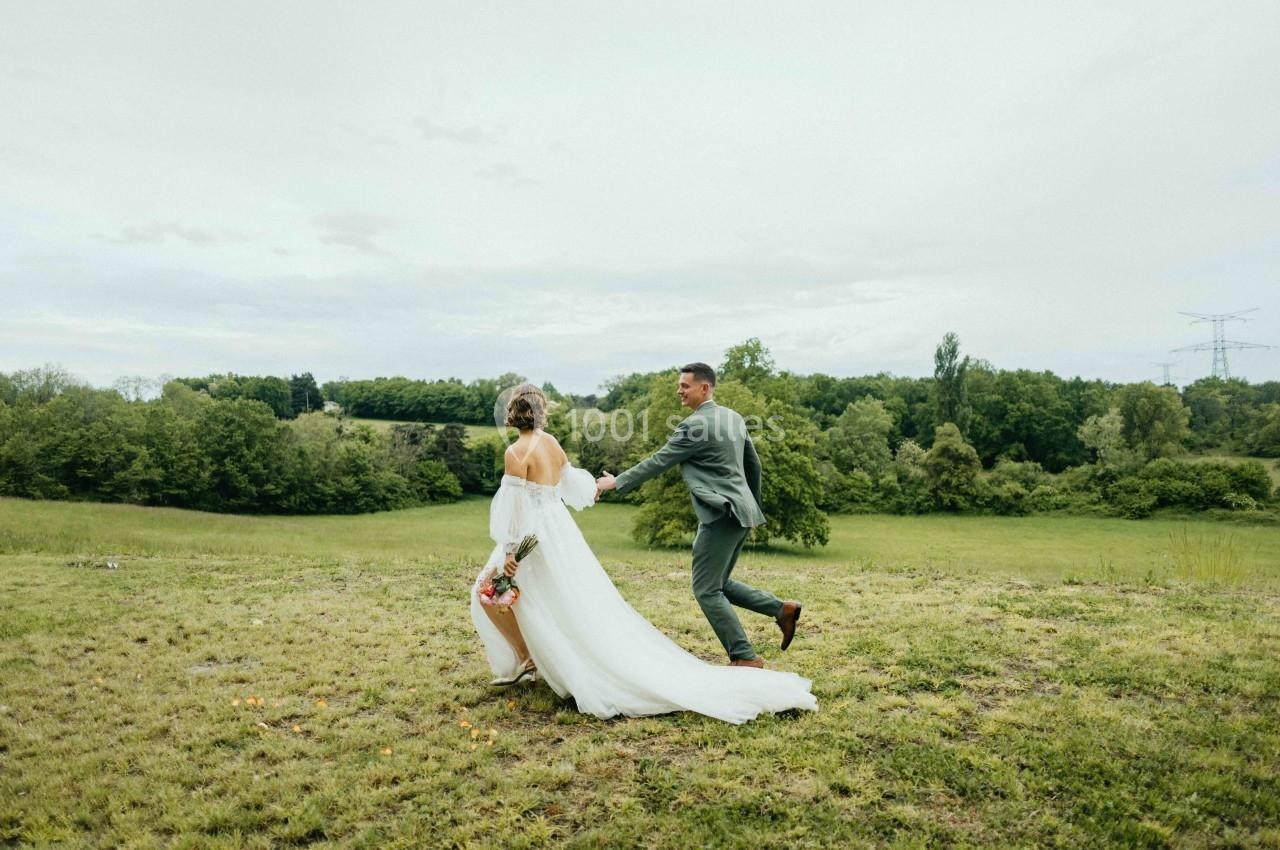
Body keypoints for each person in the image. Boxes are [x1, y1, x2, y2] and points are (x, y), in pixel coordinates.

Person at [468, 383, 817, 725]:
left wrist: (511, 549)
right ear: (541, 411)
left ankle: (527, 658)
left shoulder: (515, 453)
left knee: (488, 590)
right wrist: (596, 488)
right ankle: (535, 658)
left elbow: (513, 505)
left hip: (530, 534)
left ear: (513, 414)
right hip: (558, 530)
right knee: (556, 596)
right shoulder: (551, 443)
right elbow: (571, 482)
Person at [595, 362, 803, 667]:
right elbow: (754, 466)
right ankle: (782, 609)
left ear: (704, 388)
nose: (679, 391)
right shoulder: (733, 417)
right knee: (719, 583)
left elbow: (659, 461)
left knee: (706, 590)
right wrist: (750, 505)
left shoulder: (693, 426)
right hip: (741, 511)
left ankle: (745, 656)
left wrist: (616, 482)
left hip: (722, 514)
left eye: (685, 385)